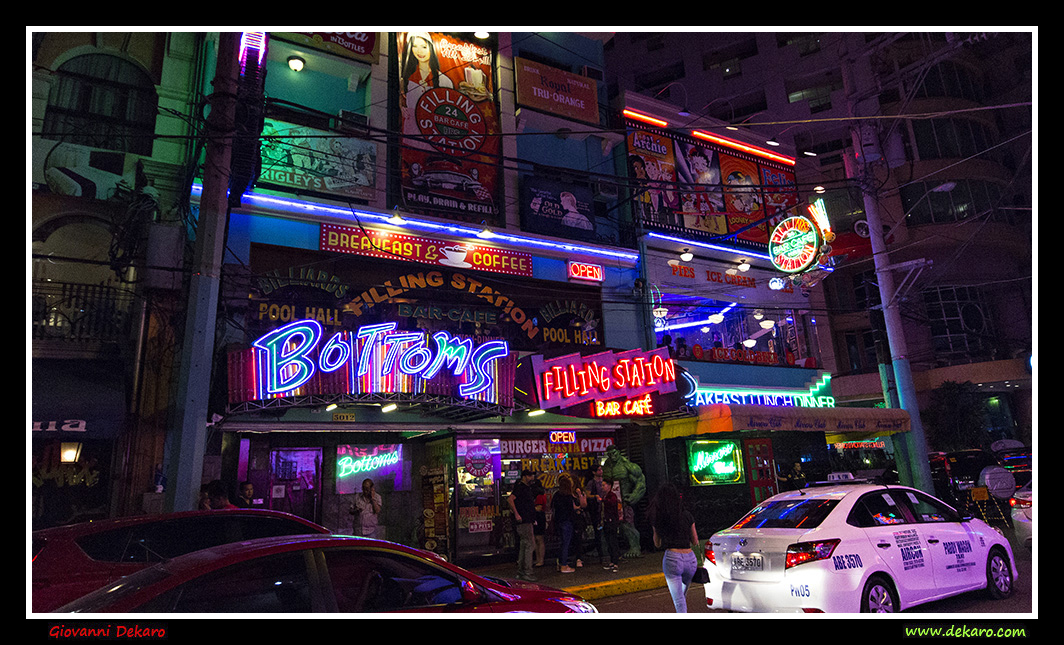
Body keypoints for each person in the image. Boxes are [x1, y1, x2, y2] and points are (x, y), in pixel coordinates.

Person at [650, 483, 700, 613]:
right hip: (690, 560)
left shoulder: (659, 517)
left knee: (679, 602)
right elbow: (695, 541)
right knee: (681, 598)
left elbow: (657, 544)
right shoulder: (687, 515)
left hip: (673, 558)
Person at [507, 470, 538, 581]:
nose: (532, 477)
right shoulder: (520, 487)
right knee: (529, 545)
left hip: (526, 519)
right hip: (524, 520)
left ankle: (522, 571)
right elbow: (510, 499)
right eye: (530, 475)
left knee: (525, 545)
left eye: (532, 475)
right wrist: (517, 514)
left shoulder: (525, 487)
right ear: (524, 476)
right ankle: (527, 571)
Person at [551, 474, 585, 573]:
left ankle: (560, 562)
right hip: (567, 521)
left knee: (562, 543)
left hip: (559, 521)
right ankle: (564, 565)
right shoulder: (568, 496)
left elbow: (552, 507)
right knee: (566, 544)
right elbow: (572, 508)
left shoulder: (557, 495)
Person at [600, 479, 623, 572]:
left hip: (611, 522)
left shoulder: (612, 496)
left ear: (609, 486)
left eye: (604, 485)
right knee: (609, 542)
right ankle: (612, 562)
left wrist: (602, 500)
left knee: (613, 542)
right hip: (606, 521)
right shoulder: (605, 496)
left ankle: (615, 562)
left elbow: (612, 503)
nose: (602, 487)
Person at [532, 479, 547, 568]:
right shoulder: (540, 494)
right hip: (539, 517)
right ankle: (538, 559)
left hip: (538, 517)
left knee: (539, 539)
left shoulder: (539, 496)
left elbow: (539, 508)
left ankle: (540, 560)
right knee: (537, 539)